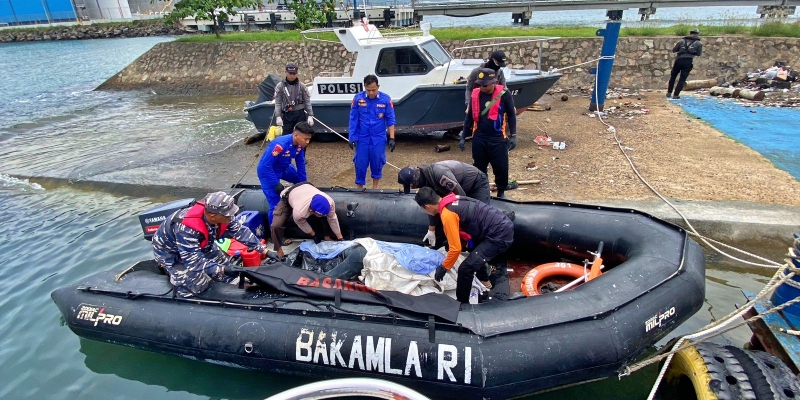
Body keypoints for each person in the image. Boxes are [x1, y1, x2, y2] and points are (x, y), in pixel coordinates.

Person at [152, 191, 278, 298]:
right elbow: (193, 261)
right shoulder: (186, 228)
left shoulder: (223, 215)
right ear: (213, 216)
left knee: (226, 266)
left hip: (203, 245)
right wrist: (222, 270)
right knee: (196, 285)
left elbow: (240, 231)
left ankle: (230, 289)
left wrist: (265, 251)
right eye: (228, 215)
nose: (231, 217)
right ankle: (170, 272)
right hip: (172, 253)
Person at [414, 187, 514, 303]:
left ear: (427, 207)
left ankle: (462, 304)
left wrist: (444, 267)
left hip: (499, 235)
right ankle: (485, 281)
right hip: (493, 227)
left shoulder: (447, 214)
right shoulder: (451, 198)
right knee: (473, 249)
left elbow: (455, 249)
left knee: (465, 270)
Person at [398, 160, 490, 247]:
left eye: (411, 186)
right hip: (459, 187)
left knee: (479, 218)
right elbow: (431, 206)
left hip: (476, 184)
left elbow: (461, 199)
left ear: (415, 180)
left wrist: (458, 226)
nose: (413, 188)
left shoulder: (439, 174)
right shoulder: (425, 181)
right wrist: (431, 230)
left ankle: (479, 248)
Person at [459, 68, 517, 199]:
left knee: (501, 168)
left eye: (485, 85)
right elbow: (468, 118)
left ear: (494, 82)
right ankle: (482, 192)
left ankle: (501, 192)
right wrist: (463, 137)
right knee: (479, 169)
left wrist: (513, 135)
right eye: (480, 85)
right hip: (479, 138)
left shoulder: (504, 94)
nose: (482, 87)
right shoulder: (475, 94)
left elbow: (512, 115)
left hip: (497, 138)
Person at [257, 121, 314, 226]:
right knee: (275, 204)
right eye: (305, 139)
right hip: (268, 171)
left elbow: (301, 165)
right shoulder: (280, 145)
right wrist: (275, 183)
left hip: (285, 167)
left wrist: (304, 183)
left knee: (300, 182)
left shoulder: (300, 146)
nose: (307, 142)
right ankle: (276, 234)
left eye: (309, 139)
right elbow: (265, 166)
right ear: (296, 135)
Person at [270, 182, 344, 258]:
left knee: (326, 217)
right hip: (289, 195)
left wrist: (340, 238)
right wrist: (313, 234)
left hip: (306, 186)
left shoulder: (329, 202)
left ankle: (327, 238)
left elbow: (332, 219)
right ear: (312, 211)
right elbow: (301, 223)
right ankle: (279, 251)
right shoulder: (300, 212)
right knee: (276, 225)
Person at [348, 74, 396, 189]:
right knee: (360, 163)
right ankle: (360, 188)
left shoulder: (385, 99)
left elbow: (390, 119)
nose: (371, 93)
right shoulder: (358, 99)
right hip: (362, 138)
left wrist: (392, 138)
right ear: (364, 87)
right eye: (368, 90)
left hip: (378, 138)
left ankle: (375, 188)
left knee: (377, 162)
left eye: (373, 90)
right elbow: (353, 119)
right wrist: (352, 137)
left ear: (378, 86)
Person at [667, 28, 702, 100]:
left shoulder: (682, 41)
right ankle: (676, 95)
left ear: (690, 33)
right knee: (682, 79)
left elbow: (674, 50)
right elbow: (699, 54)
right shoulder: (698, 43)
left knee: (673, 76)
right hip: (688, 61)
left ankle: (669, 92)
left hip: (679, 60)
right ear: (697, 34)